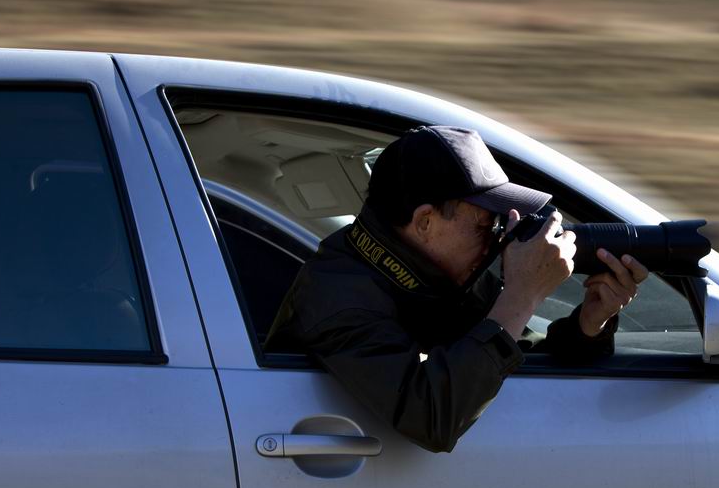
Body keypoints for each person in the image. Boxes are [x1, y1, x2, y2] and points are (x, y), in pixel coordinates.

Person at [265, 126, 648, 452]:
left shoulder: (436, 270)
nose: (496, 240)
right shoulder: (338, 297)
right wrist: (522, 294)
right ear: (425, 221)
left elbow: (513, 365)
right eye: (484, 225)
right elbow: (429, 416)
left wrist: (588, 325)